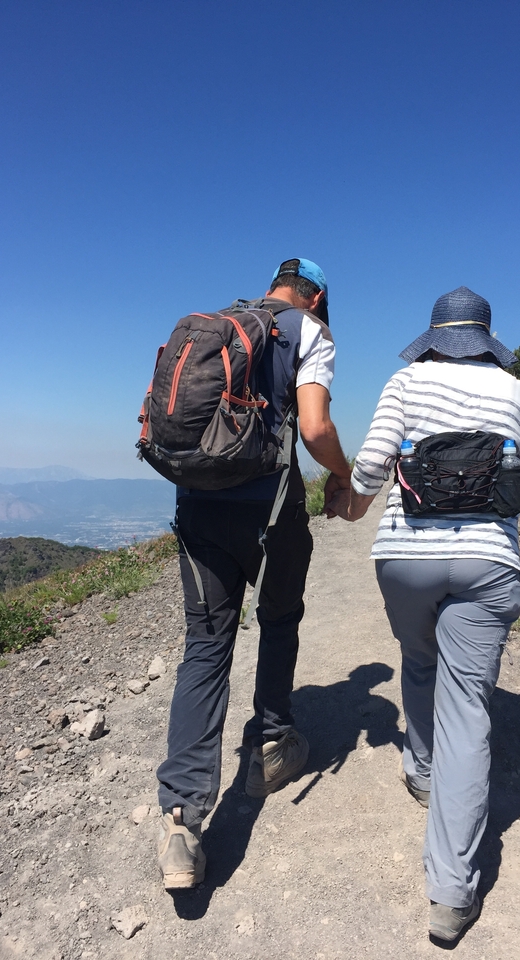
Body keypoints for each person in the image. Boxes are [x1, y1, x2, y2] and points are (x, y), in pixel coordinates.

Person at [328, 286, 520, 943]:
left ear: (434, 337)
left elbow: (368, 469)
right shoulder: (517, 393)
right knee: (469, 714)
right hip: (487, 563)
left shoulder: (404, 381)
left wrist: (353, 499)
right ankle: (451, 896)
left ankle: (420, 770)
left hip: (406, 559)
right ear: (485, 340)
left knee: (418, 660)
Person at [156, 258, 351, 890]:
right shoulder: (309, 332)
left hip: (198, 508)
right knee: (278, 621)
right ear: (315, 296)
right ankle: (269, 745)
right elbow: (315, 426)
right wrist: (343, 474)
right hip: (270, 511)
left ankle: (182, 821)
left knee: (205, 648)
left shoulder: (222, 324)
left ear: (273, 285)